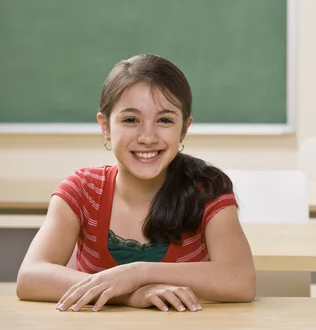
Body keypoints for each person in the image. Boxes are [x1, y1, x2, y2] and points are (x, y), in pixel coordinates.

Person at [17, 54, 256, 312]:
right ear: (105, 126)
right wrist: (130, 295)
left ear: (184, 129)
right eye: (131, 120)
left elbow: (241, 282)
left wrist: (138, 274)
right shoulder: (81, 190)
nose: (147, 137)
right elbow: (30, 277)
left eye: (165, 120)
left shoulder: (208, 190)